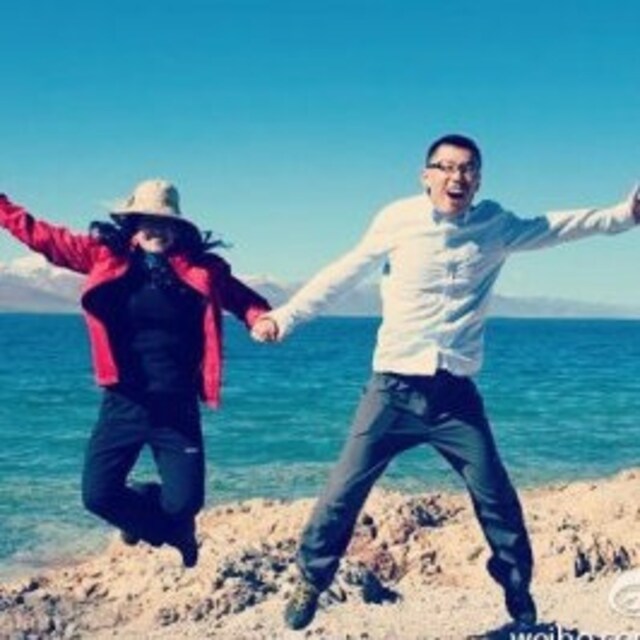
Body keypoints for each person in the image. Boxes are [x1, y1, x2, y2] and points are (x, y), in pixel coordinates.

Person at [252, 134, 640, 628]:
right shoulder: (398, 219)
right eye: (446, 167)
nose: (457, 176)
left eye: (468, 168)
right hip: (392, 391)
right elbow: (345, 271)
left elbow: (559, 226)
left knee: (496, 498)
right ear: (426, 175)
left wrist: (625, 214)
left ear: (478, 179)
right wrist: (284, 318)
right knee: (342, 491)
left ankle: (516, 588)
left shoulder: (495, 225)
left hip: (455, 397)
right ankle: (311, 578)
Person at [0, 179, 276, 568]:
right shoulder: (104, 256)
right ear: (133, 224)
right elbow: (42, 236)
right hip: (124, 402)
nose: (155, 229)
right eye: (147, 220)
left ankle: (157, 511)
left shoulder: (202, 269)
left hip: (176, 406)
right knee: (98, 497)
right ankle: (164, 527)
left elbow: (242, 299)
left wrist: (260, 318)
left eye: (165, 222)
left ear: (178, 228)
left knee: (185, 503)